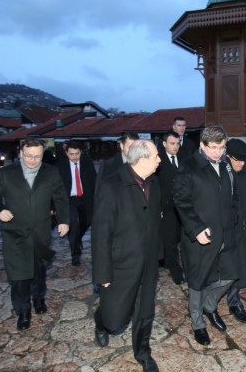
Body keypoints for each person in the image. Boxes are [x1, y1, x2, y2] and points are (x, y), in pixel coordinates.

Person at [92, 140, 161, 372]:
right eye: (155, 156)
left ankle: (143, 352)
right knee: (115, 319)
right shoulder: (111, 187)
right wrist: (103, 272)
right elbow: (101, 234)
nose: (159, 160)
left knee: (145, 311)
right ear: (141, 160)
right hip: (121, 264)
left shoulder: (155, 183)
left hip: (148, 262)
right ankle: (101, 320)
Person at [0, 138, 69, 331]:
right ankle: (23, 311)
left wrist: (64, 219)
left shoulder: (51, 172)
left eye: (37, 156)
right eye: (29, 156)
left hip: (40, 231)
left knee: (38, 269)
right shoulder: (6, 173)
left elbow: (60, 197)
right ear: (21, 154)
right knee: (19, 274)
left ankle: (38, 297)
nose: (33, 160)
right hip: (14, 231)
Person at [173, 126, 238, 346]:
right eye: (214, 148)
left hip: (226, 233)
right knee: (197, 282)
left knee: (231, 273)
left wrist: (234, 218)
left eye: (222, 147)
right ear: (202, 145)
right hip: (200, 235)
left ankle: (209, 306)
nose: (219, 153)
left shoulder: (226, 163)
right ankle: (198, 322)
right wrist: (196, 228)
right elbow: (181, 201)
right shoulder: (189, 167)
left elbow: (232, 194)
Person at [222, 138, 246, 323]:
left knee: (240, 265)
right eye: (238, 160)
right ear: (228, 156)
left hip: (245, 227)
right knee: (226, 267)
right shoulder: (221, 171)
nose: (241, 164)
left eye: (244, 160)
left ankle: (234, 302)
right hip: (227, 230)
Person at [56, 140, 96, 266]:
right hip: (69, 200)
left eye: (77, 154)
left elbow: (94, 181)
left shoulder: (87, 163)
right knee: (74, 225)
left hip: (85, 199)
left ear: (81, 152)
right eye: (71, 154)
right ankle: (75, 254)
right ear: (66, 153)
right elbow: (55, 187)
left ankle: (77, 240)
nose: (74, 157)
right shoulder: (60, 166)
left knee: (86, 222)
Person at [157, 130, 185, 284]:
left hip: (183, 207)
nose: (175, 147)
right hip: (166, 209)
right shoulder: (158, 161)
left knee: (183, 239)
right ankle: (177, 273)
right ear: (164, 144)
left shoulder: (183, 158)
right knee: (171, 242)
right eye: (172, 144)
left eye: (178, 143)